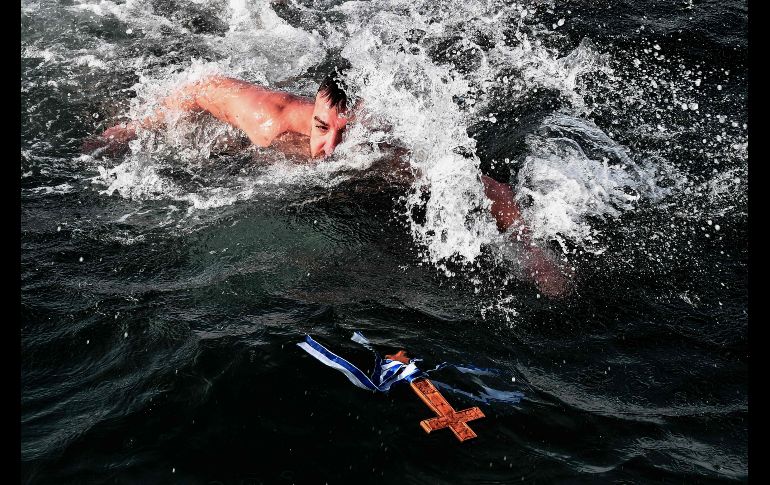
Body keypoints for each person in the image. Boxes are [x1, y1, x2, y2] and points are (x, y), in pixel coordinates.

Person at [86, 73, 572, 296]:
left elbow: (489, 188)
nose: (331, 148)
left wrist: (535, 255)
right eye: (323, 128)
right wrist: (129, 130)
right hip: (237, 153)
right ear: (312, 109)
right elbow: (200, 88)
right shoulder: (265, 117)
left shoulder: (379, 148)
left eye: (345, 131)